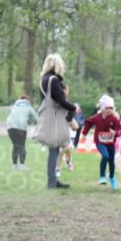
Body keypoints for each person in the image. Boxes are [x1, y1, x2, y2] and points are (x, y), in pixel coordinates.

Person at [38, 54, 78, 189]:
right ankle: (52, 181)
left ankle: (53, 180)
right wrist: (74, 108)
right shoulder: (53, 80)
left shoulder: (43, 79)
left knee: (54, 150)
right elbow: (61, 101)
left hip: (48, 117)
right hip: (55, 118)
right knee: (54, 150)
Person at [81, 95, 121, 190]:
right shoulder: (97, 117)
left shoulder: (114, 119)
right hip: (100, 142)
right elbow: (88, 122)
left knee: (111, 161)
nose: (109, 110)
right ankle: (102, 177)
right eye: (107, 108)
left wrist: (116, 133)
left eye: (111, 108)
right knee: (105, 156)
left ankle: (112, 178)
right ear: (102, 108)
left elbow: (120, 130)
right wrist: (84, 133)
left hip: (110, 143)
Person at [5, 95, 37, 171]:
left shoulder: (14, 106)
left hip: (9, 126)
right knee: (22, 145)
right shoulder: (28, 107)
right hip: (21, 126)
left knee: (15, 145)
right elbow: (36, 118)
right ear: (28, 101)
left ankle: (14, 165)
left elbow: (11, 114)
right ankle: (22, 165)